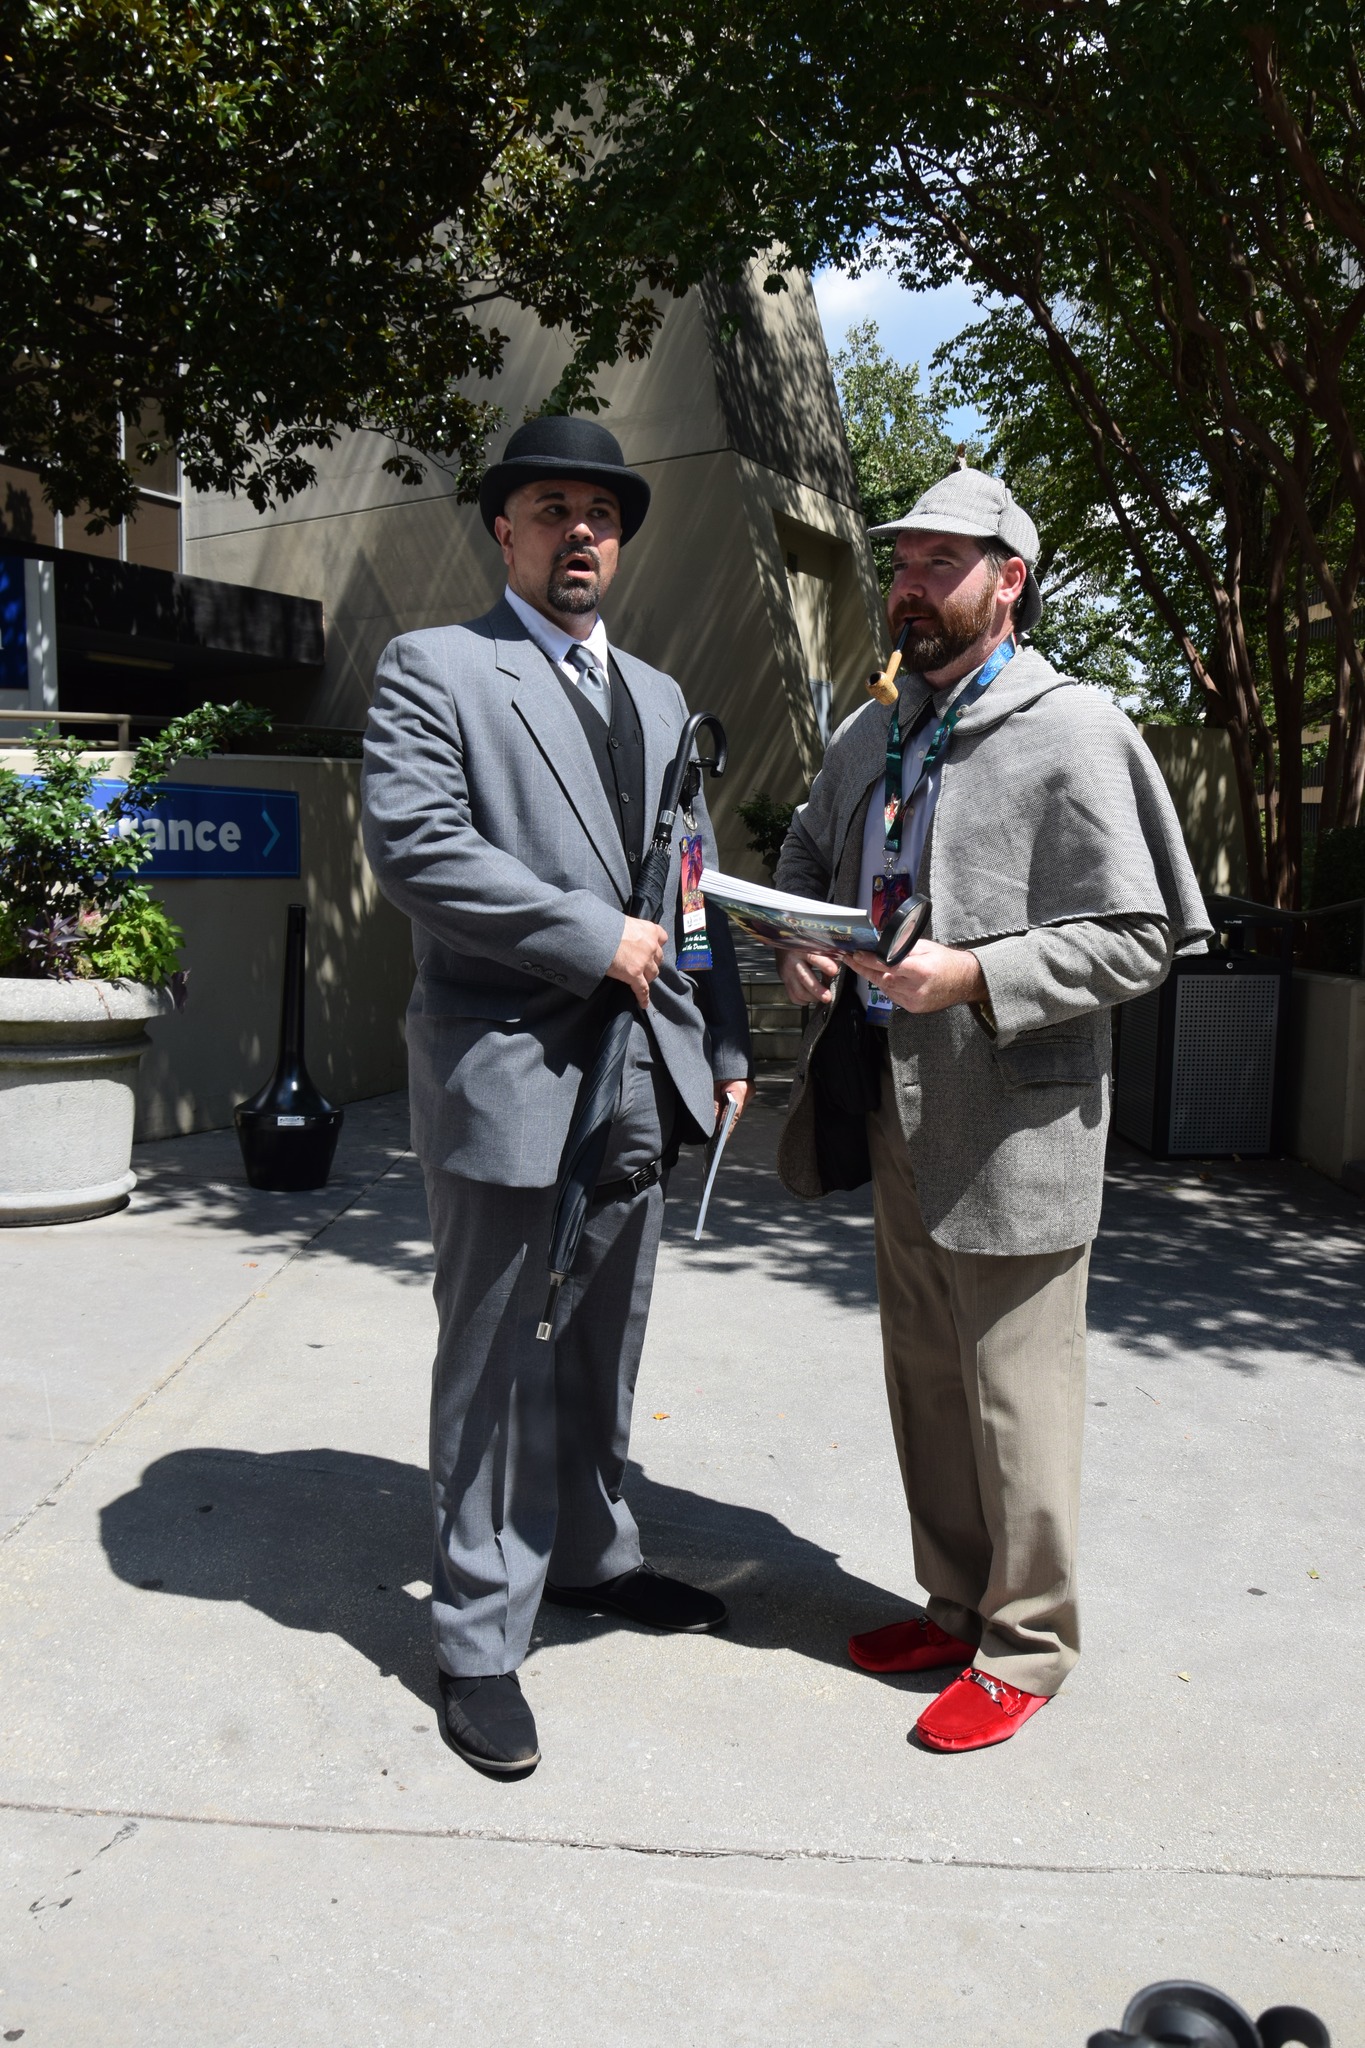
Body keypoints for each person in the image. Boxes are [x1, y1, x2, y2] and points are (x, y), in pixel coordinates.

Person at [773, 468, 1208, 1753]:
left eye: (941, 564)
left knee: (1017, 1396)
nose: (910, 585)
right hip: (896, 1109)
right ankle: (955, 1604)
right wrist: (801, 941)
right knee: (925, 1379)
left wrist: (975, 973)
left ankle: (1029, 1642)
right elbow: (805, 850)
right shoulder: (874, 730)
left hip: (1016, 1122)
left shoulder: (1072, 729)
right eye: (902, 563)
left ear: (1008, 579)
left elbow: (1141, 937)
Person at [361, 415, 753, 1778]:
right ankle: (476, 1636)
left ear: (620, 540)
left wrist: (730, 1033)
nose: (578, 530)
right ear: (505, 529)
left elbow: (689, 889)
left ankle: (590, 1554)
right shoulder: (436, 668)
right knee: (491, 1360)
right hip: (508, 1070)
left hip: (647, 1065)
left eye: (601, 511)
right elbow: (418, 848)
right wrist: (594, 939)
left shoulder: (655, 694)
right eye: (550, 506)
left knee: (606, 1335)